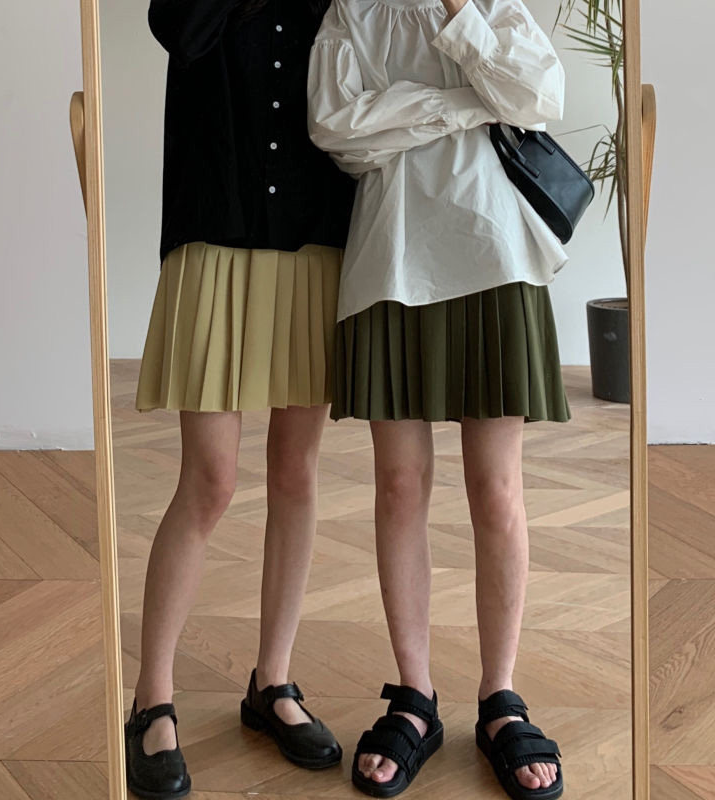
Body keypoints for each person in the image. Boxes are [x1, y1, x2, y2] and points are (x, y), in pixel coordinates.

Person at [308, 0, 569, 797]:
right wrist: (464, 103)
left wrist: (456, 27)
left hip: (495, 253)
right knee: (398, 486)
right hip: (390, 258)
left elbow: (536, 99)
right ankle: (414, 695)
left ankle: (501, 697)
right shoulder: (352, 11)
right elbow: (337, 131)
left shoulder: (489, 4)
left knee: (497, 490)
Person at [123, 1, 356, 797]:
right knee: (211, 480)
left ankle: (273, 682)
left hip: (315, 229)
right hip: (215, 221)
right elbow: (182, 29)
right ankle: (151, 697)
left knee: (296, 471)